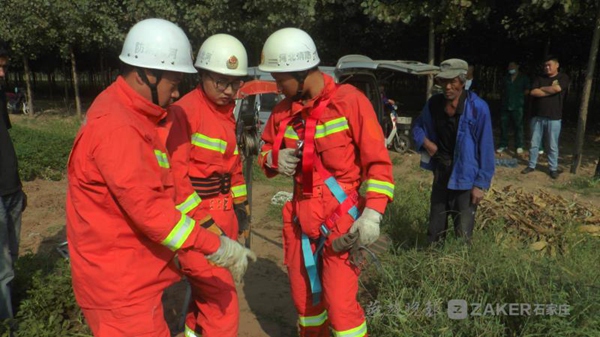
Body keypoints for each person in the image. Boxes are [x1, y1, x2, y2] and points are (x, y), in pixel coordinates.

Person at [66, 19, 254, 337]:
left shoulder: (134, 117)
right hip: (121, 289)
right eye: (173, 81)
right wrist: (214, 245)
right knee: (221, 305)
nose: (177, 91)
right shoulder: (120, 128)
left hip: (132, 279)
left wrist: (233, 220)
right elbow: (155, 212)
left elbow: (169, 187)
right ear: (147, 75)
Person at [258, 28, 394, 337]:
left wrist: (373, 213)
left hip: (340, 222)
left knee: (341, 308)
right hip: (298, 219)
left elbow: (378, 163)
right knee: (306, 306)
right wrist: (272, 160)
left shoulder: (350, 103)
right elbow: (265, 150)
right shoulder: (282, 114)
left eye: (281, 80)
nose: (278, 88)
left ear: (303, 72)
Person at [165, 34, 250, 337]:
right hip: (199, 223)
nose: (229, 92)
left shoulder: (225, 114)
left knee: (203, 301)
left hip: (224, 216)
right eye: (221, 82)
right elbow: (176, 183)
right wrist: (207, 225)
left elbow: (234, 167)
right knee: (222, 302)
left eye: (236, 84)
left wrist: (241, 207)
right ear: (202, 75)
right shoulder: (185, 113)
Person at [413, 59, 495, 244]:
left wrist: (480, 184)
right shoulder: (434, 104)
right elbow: (417, 127)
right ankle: (433, 261)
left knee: (463, 233)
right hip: (441, 171)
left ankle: (461, 266)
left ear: (463, 81)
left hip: (466, 176)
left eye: (453, 82)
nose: (448, 87)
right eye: (444, 81)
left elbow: (487, 148)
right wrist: (427, 143)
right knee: (435, 230)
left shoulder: (478, 108)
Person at [0, 41, 27, 321]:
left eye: (4, 67)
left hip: (11, 190)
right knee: (2, 268)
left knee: (11, 258)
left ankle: (12, 310)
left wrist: (18, 186)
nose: (2, 73)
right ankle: (8, 325)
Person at [521, 56, 570, 179]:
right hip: (537, 117)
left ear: (556, 65)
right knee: (534, 143)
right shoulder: (539, 78)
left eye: (549, 65)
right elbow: (533, 92)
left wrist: (542, 89)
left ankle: (553, 168)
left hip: (554, 118)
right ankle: (531, 165)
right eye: (545, 66)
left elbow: (558, 88)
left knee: (552, 145)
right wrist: (549, 90)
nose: (547, 67)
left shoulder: (563, 78)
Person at [497, 61, 530, 154]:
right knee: (504, 126)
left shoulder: (523, 78)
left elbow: (527, 90)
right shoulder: (505, 78)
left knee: (518, 126)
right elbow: (502, 90)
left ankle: (519, 145)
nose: (511, 68)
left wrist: (519, 96)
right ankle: (503, 144)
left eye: (513, 66)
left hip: (518, 106)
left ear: (517, 66)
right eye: (509, 66)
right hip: (505, 105)